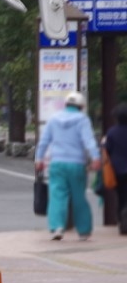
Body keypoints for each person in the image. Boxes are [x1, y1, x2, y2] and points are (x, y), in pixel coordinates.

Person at [35, 90, 100, 241]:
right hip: (76, 164)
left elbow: (44, 141)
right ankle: (83, 231)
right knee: (78, 197)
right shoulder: (82, 119)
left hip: (57, 163)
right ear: (81, 106)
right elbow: (88, 140)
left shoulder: (53, 119)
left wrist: (39, 159)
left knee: (57, 196)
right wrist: (95, 157)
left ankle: (57, 227)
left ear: (66, 104)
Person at [102, 103, 127, 232]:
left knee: (121, 196)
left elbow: (107, 149)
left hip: (117, 170)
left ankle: (122, 221)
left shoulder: (112, 132)